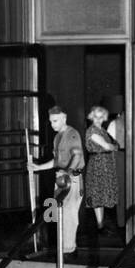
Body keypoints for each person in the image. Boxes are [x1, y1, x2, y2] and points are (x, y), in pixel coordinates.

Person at [30, 106, 86, 256]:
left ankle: (69, 251)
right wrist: (38, 167)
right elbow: (57, 161)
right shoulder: (57, 137)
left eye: (55, 121)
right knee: (60, 214)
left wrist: (67, 173)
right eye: (51, 121)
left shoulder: (72, 134)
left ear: (64, 118)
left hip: (71, 179)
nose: (52, 124)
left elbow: (77, 156)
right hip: (61, 178)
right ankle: (64, 249)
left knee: (69, 214)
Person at [83, 104, 121, 236]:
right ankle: (100, 226)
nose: (98, 120)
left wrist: (113, 146)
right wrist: (113, 146)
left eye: (100, 117)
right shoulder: (92, 131)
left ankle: (102, 225)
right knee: (98, 195)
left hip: (106, 163)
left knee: (102, 195)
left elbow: (114, 144)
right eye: (96, 117)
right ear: (91, 117)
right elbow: (108, 146)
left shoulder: (103, 130)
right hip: (98, 164)